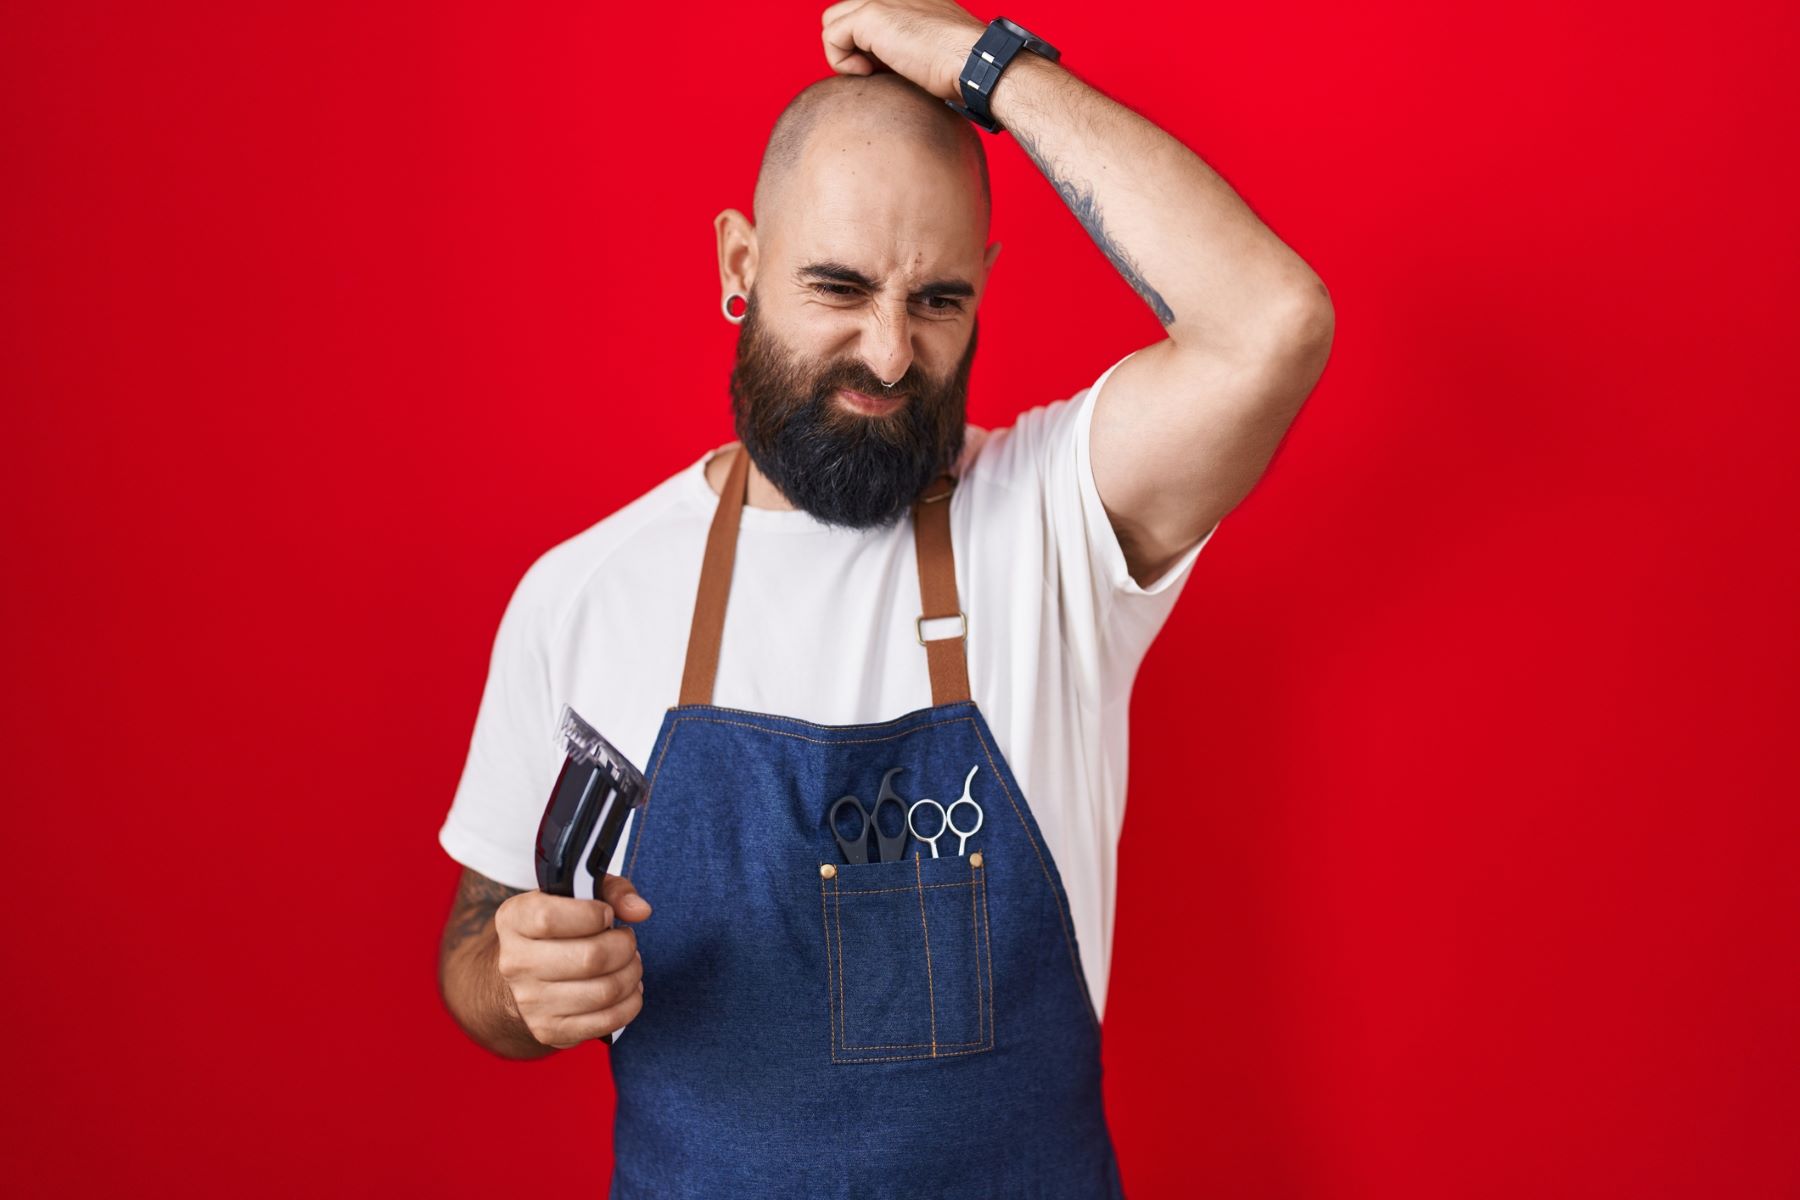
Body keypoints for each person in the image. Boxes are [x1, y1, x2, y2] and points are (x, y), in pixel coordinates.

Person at [435, 3, 1332, 1195]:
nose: (892, 353)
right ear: (740, 268)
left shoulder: (1054, 523)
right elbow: (476, 949)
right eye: (840, 287)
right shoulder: (585, 593)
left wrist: (989, 69)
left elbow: (1275, 323)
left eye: (938, 300)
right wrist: (517, 984)